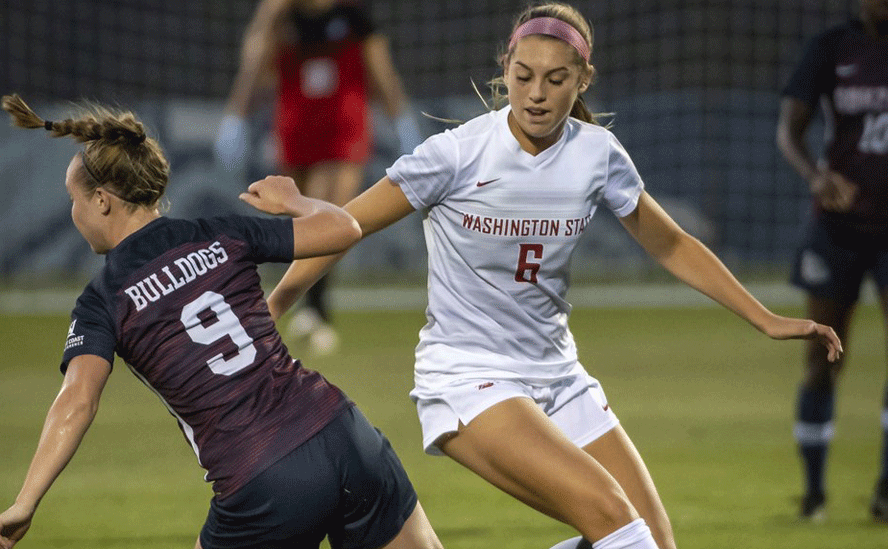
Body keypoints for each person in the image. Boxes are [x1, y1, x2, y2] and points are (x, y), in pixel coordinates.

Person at [265, 3, 846, 549]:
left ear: (583, 80)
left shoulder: (598, 153)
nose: (536, 94)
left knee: (652, 542)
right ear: (505, 71)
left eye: (556, 79)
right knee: (614, 519)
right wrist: (273, 308)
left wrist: (765, 319)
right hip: (469, 378)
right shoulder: (457, 154)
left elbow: (671, 244)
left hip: (560, 377)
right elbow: (341, 228)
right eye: (523, 76)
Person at [0, 94, 444, 549]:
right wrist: (296, 200)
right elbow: (345, 227)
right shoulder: (221, 232)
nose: (73, 212)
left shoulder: (103, 299)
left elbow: (77, 402)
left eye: (74, 200)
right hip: (343, 433)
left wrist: (25, 502)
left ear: (101, 200)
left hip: (262, 477)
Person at [215, 0, 423, 355]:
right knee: (304, 223)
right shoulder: (282, 17)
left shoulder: (354, 15)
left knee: (333, 213)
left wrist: (400, 118)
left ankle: (316, 312)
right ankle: (309, 308)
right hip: (296, 130)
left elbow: (380, 71)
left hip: (344, 130)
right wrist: (236, 116)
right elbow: (256, 65)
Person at [776, 0, 888, 524]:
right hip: (837, 227)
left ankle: (885, 491)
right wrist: (814, 176)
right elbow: (789, 131)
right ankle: (814, 495)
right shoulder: (830, 47)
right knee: (822, 356)